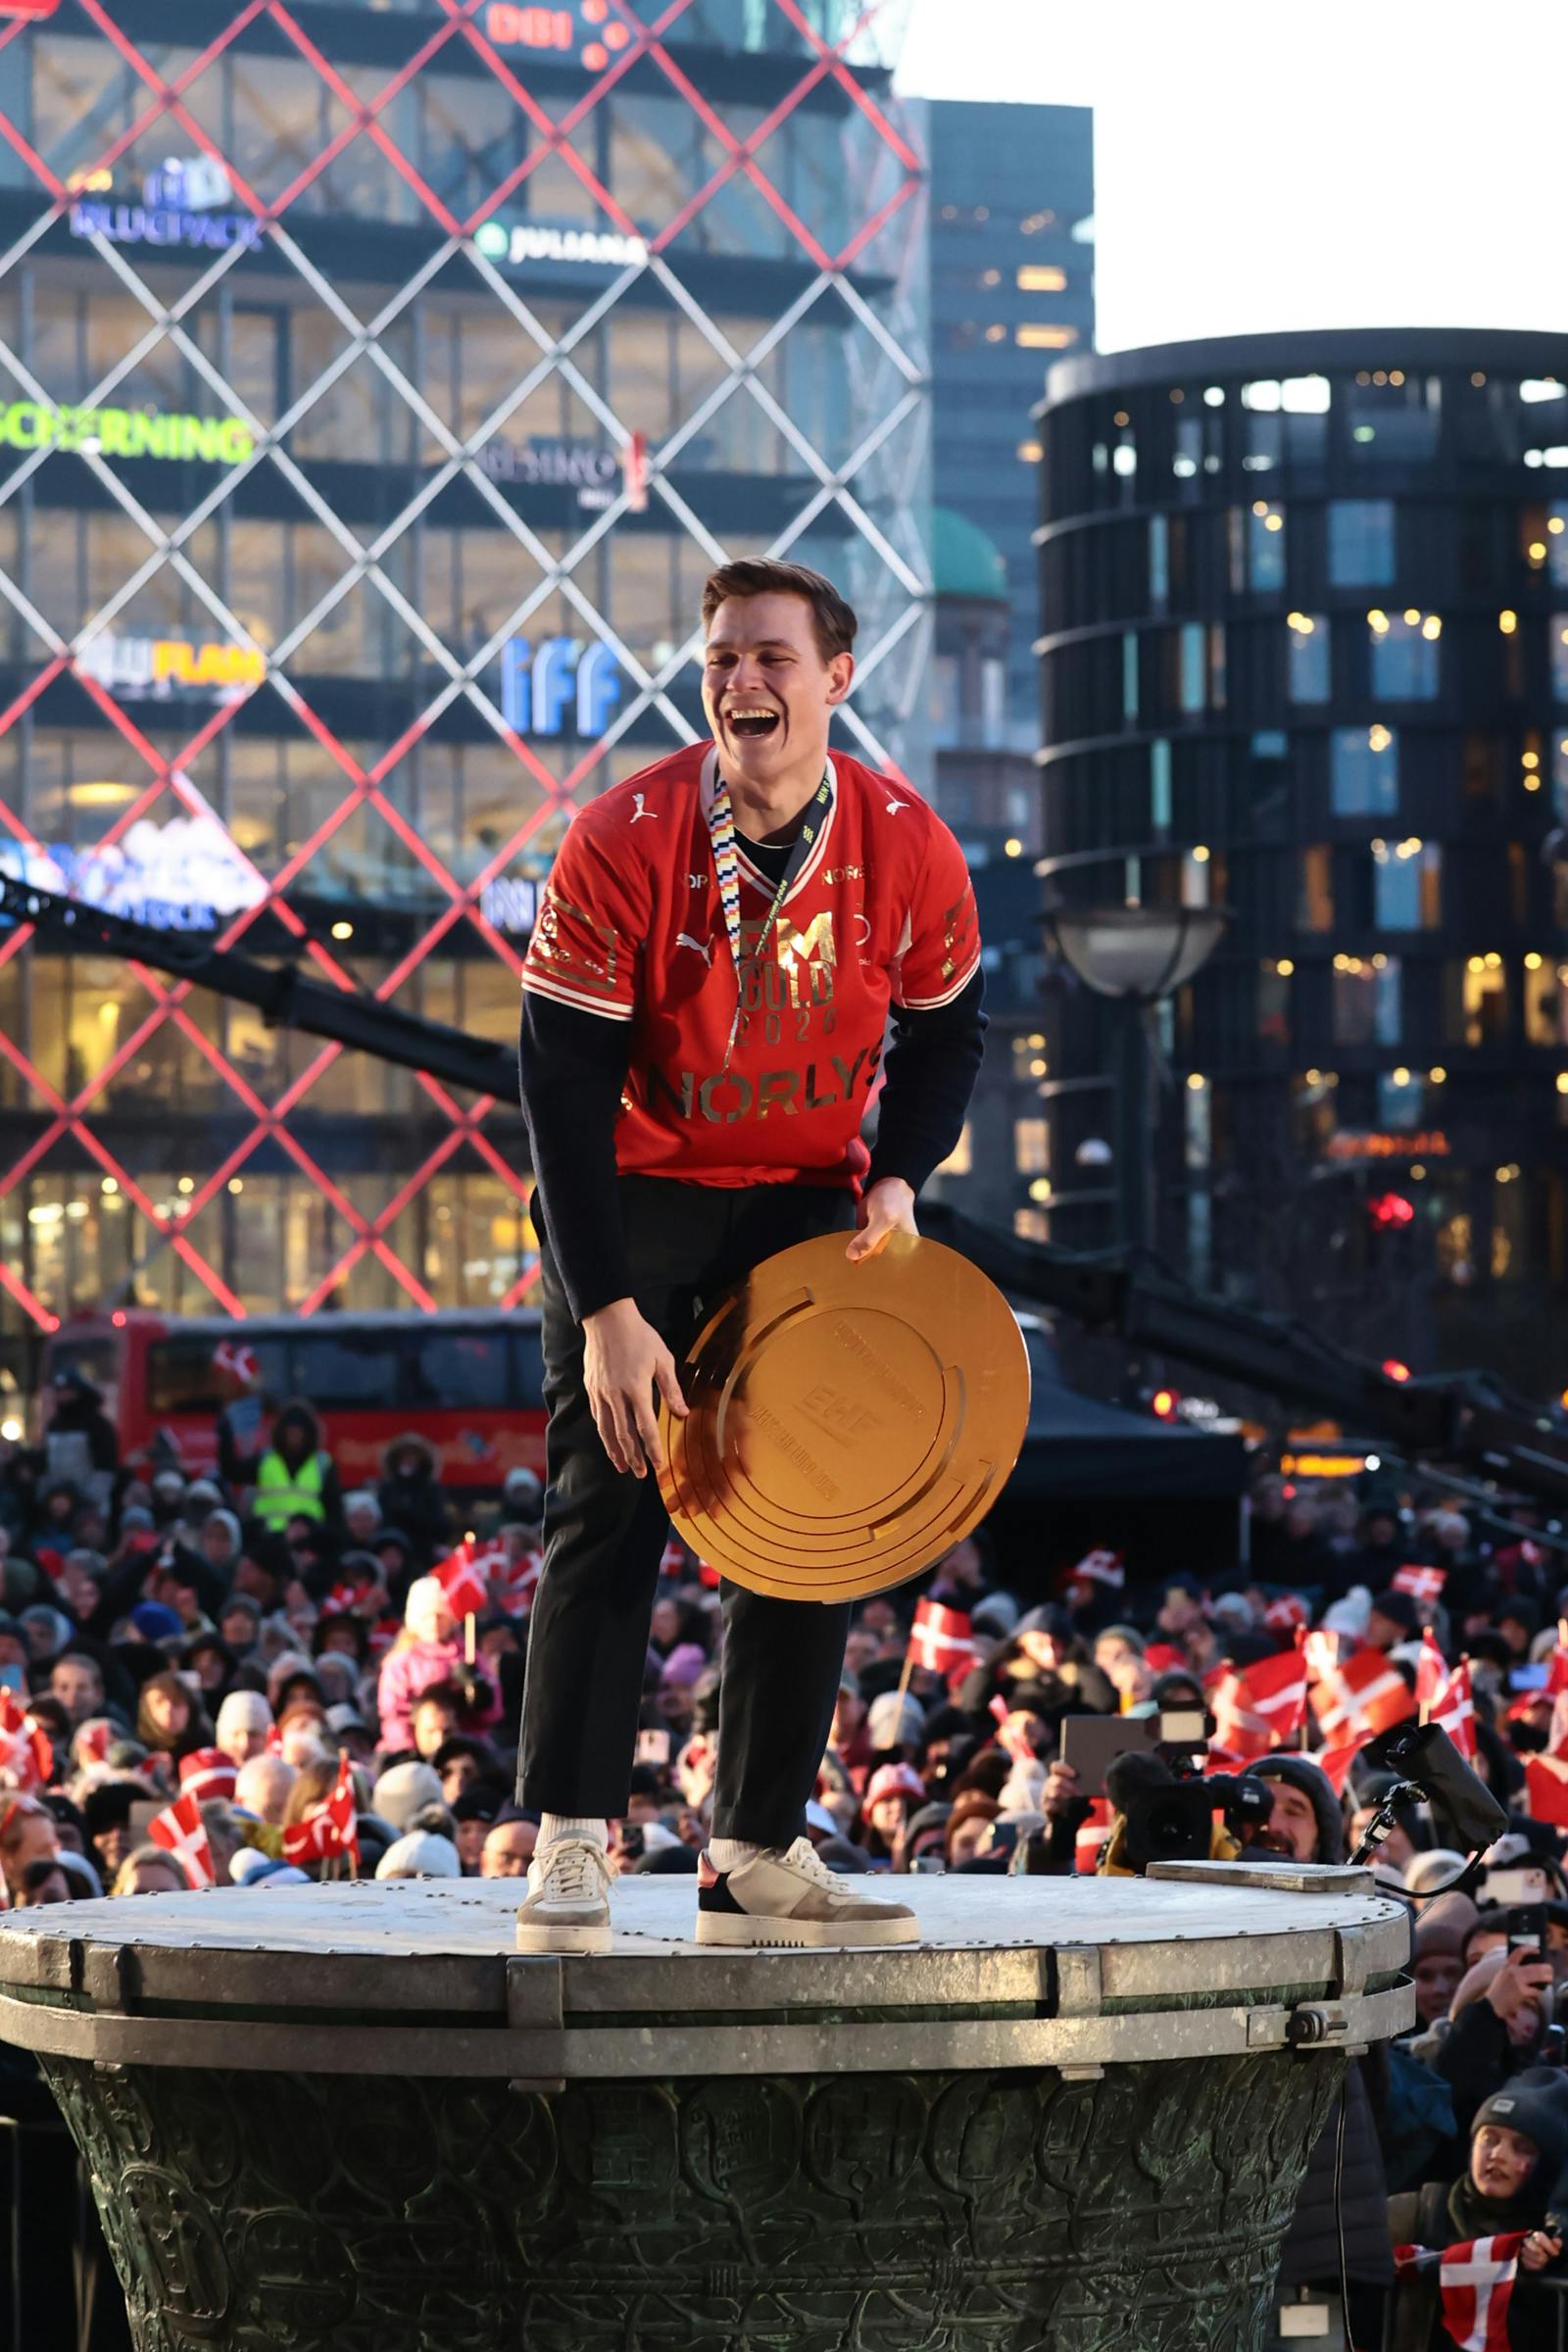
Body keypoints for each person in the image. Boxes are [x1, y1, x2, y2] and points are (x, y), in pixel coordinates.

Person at [512, 557, 984, 1955]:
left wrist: (901, 1175)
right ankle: (574, 1840)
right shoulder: (623, 835)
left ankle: (755, 1845)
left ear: (836, 679)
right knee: (611, 1502)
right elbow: (559, 1083)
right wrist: (604, 1307)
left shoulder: (907, 839)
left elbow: (951, 1029)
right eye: (722, 659)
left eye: (772, 657)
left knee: (808, 1510)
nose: (742, 683)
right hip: (639, 1195)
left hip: (801, 1198)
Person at [1387, 2081, 1568, 2351]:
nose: (1497, 2155)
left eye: (1522, 2147)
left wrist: (1552, 2263)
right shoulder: (1416, 2213)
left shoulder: (1552, 2238)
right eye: (1489, 2139)